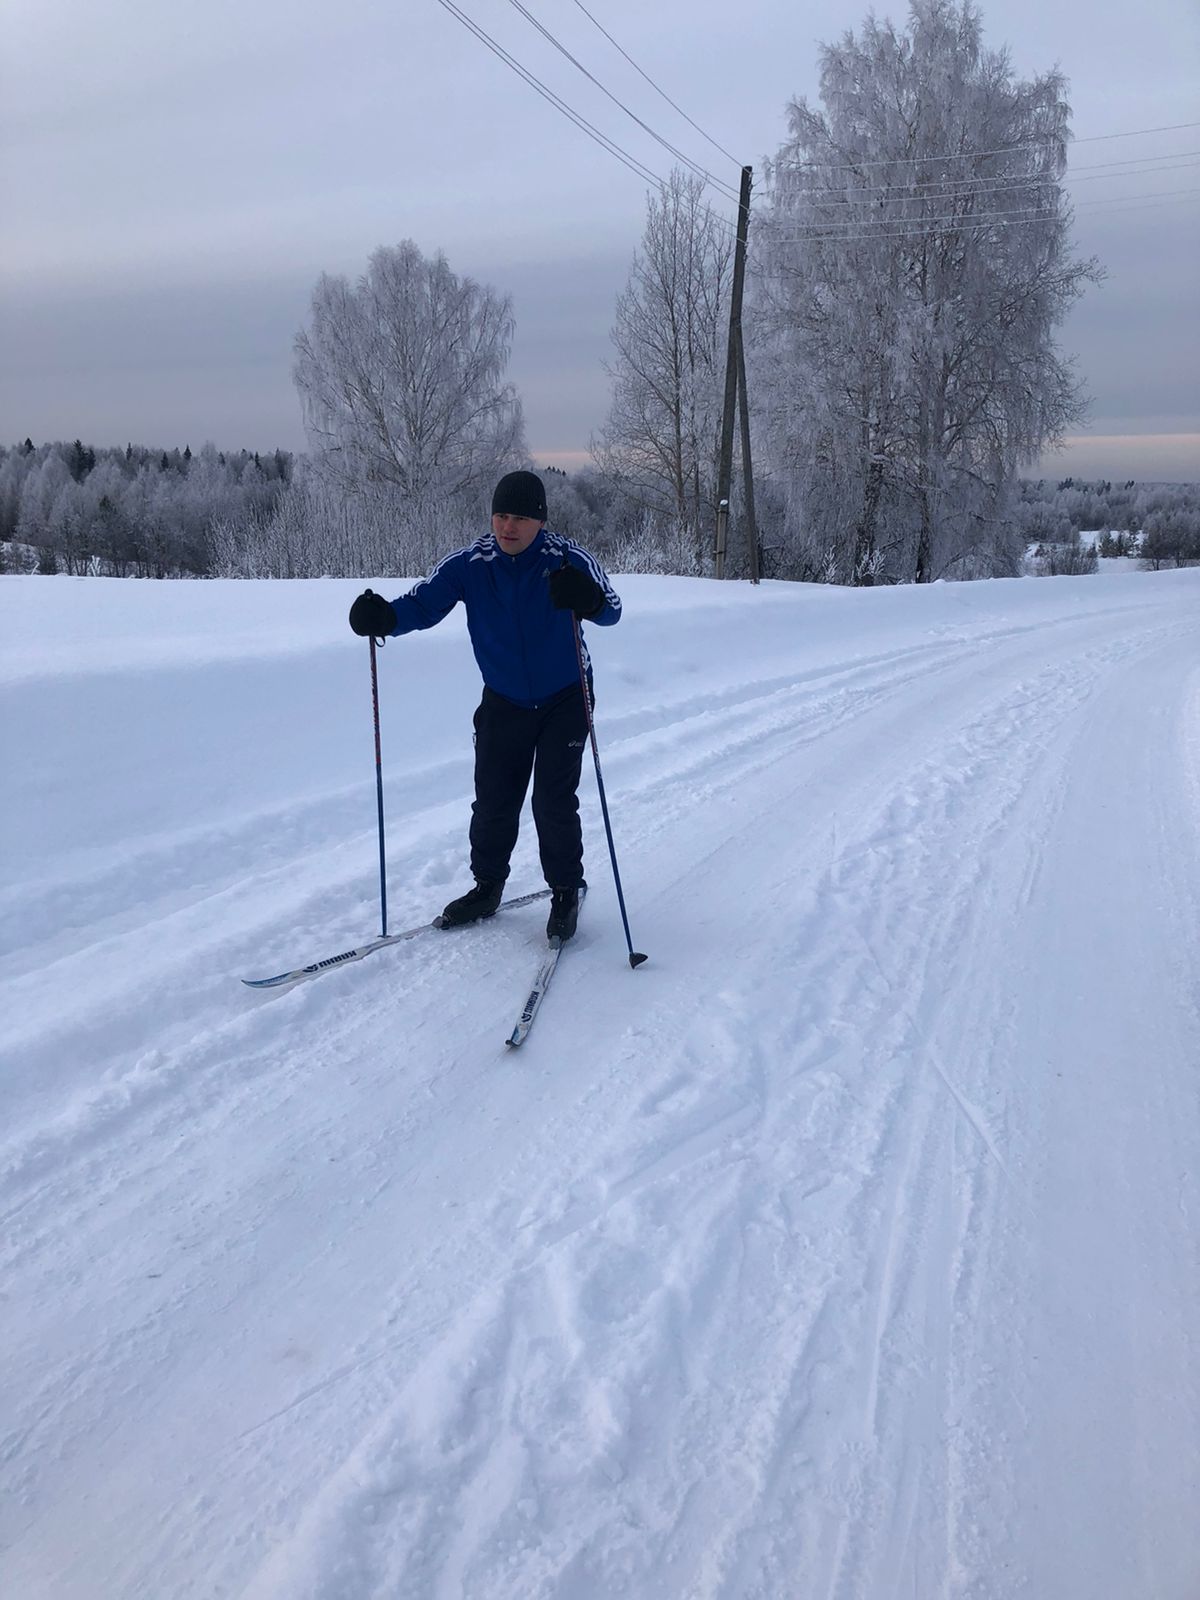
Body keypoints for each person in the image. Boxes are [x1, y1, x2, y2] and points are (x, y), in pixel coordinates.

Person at [348, 470, 621, 942]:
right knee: (494, 799)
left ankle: (564, 890)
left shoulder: (565, 559)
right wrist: (384, 618)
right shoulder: (472, 563)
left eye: (519, 517)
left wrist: (589, 599)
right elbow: (423, 603)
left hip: (566, 696)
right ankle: (487, 886)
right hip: (504, 699)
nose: (507, 526)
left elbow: (611, 608)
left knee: (552, 801)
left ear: (540, 521)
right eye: (500, 515)